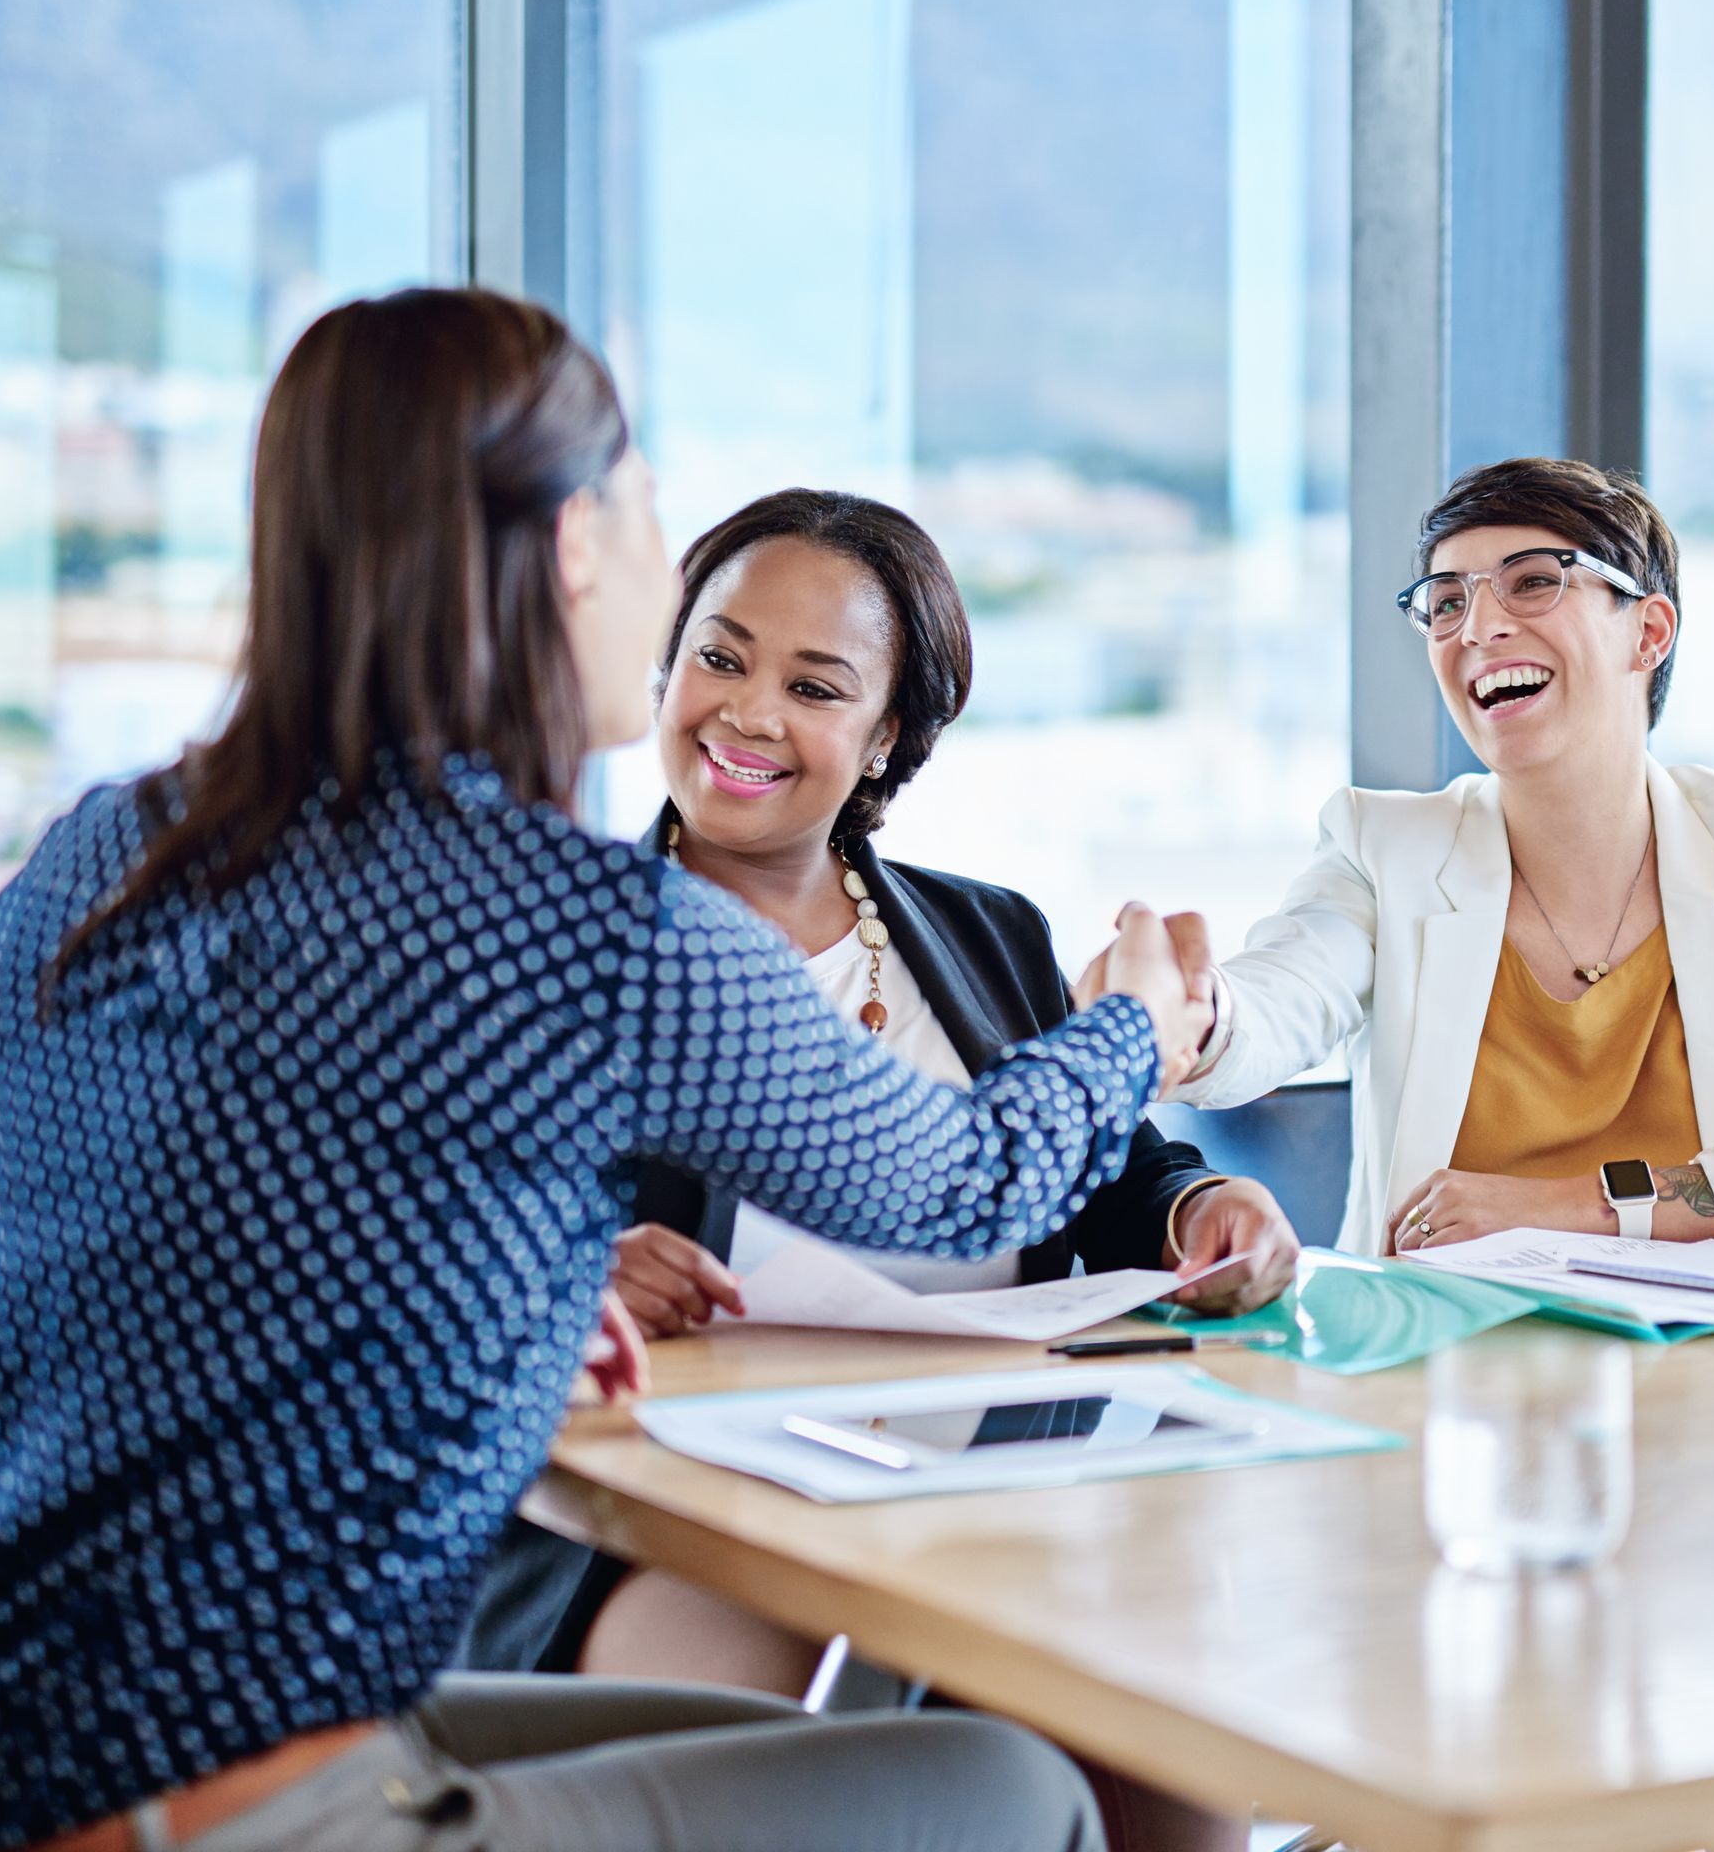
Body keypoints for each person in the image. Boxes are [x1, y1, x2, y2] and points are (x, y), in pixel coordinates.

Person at [0, 288, 1214, 1852]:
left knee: (746, 1741)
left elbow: (140, 1222)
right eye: (637, 502)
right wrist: (1141, 1025)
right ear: (571, 544)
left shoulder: (103, 847)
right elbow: (979, 1176)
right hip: (263, 1805)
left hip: (31, 1755)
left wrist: (499, 1316)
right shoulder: (582, 932)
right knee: (1016, 1791)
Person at [459, 489, 1297, 1850]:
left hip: (985, 1483)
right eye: (719, 657)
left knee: (1173, 1755)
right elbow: (443, 1230)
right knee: (781, 1742)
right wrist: (574, 1269)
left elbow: (1095, 1163)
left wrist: (1197, 1202)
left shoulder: (984, 932)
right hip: (662, 1517)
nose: (745, 713)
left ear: (886, 733)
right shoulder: (566, 952)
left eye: (814, 685)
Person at [1133, 456, 1714, 1256]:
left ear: (1650, 632)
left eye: (1533, 582)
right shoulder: (1382, 847)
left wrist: (1583, 1205)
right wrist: (1191, 1013)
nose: (1476, 628)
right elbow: (1279, 999)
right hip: (1441, 1358)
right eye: (1447, 602)